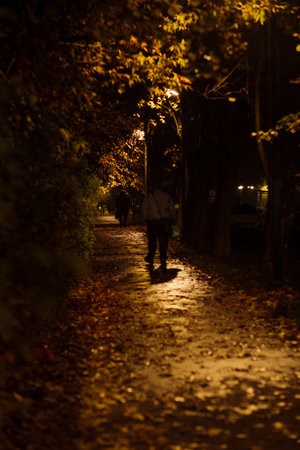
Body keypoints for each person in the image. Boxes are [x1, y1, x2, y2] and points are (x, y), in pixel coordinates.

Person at [141, 179, 176, 268]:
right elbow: (172, 208)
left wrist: (144, 222)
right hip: (164, 222)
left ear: (152, 187)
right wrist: (172, 220)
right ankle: (163, 257)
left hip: (152, 222)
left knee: (152, 240)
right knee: (163, 240)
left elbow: (144, 210)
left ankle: (151, 256)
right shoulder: (166, 196)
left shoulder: (148, 197)